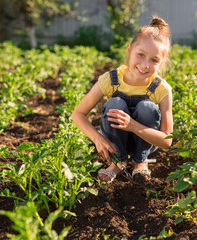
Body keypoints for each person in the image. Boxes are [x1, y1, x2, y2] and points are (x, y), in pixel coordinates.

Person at [72, 16, 173, 184]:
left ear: (161, 62)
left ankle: (140, 161)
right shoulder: (111, 79)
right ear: (129, 50)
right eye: (141, 55)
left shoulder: (161, 88)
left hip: (145, 140)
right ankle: (118, 161)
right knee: (115, 104)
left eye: (154, 60)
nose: (145, 65)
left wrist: (133, 125)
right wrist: (97, 138)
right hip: (115, 139)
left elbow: (167, 141)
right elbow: (78, 114)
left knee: (147, 107)